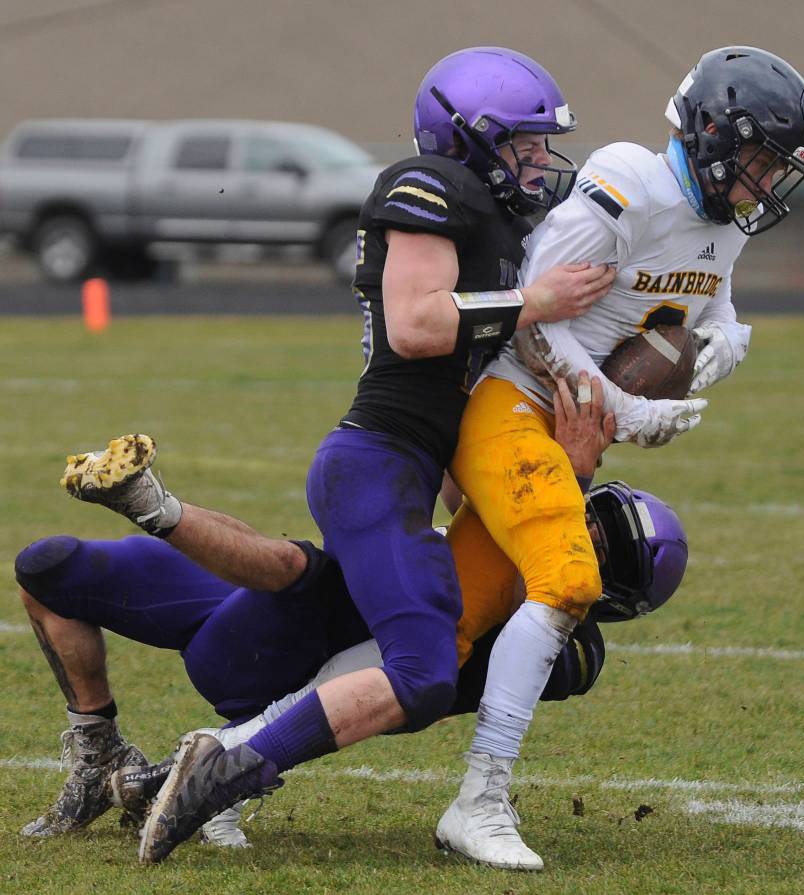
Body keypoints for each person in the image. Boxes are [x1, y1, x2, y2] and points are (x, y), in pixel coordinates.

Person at [49, 47, 614, 864]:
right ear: (473, 139)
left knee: (419, 660)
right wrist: (538, 300)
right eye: (524, 143)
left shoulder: (489, 218)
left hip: (401, 475)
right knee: (420, 673)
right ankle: (220, 766)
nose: (539, 160)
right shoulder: (427, 185)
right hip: (374, 464)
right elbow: (418, 327)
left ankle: (223, 757)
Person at [432, 46, 804, 869]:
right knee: (570, 581)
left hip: (570, 424)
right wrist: (627, 407)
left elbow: (709, 307)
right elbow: (528, 319)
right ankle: (481, 797)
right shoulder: (629, 184)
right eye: (758, 161)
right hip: (513, 402)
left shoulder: (723, 221)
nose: (763, 185)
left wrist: (721, 343)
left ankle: (233, 759)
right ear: (715, 135)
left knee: (438, 640)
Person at [20, 381, 688, 851]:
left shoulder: (565, 650)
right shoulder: (527, 503)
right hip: (264, 620)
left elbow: (417, 674)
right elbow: (469, 489)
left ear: (609, 597)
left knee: (299, 573)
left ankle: (157, 511)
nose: (574, 533)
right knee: (45, 570)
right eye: (584, 518)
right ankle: (97, 755)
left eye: (594, 551)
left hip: (323, 653)